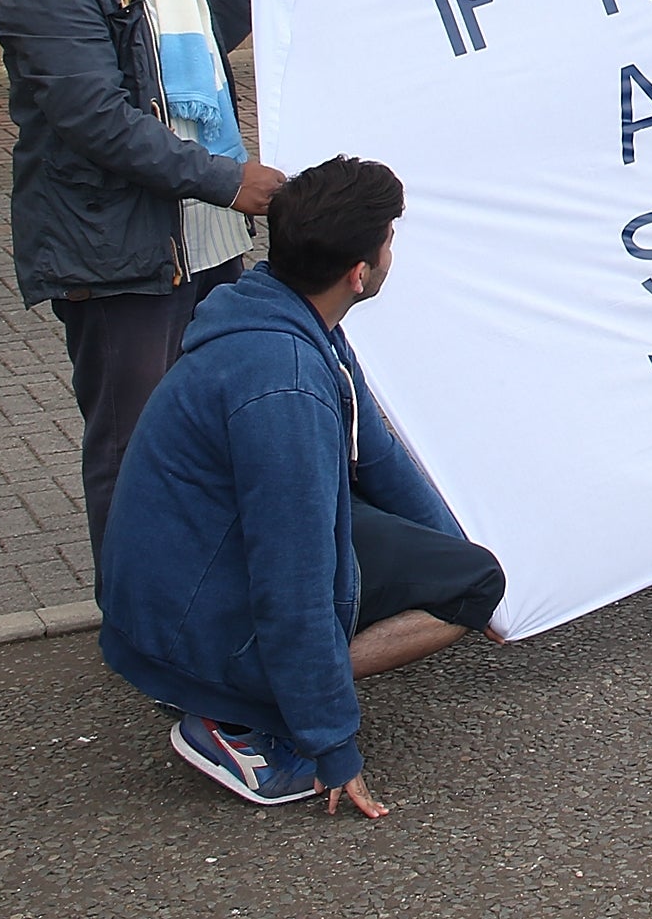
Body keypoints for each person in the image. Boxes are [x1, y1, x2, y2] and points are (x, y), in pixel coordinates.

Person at [102, 156, 506, 816]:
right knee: (312, 581)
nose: (391, 249)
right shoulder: (284, 382)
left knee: (473, 578)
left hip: (179, 584)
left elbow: (380, 461)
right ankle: (240, 717)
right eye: (389, 240)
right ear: (359, 272)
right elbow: (291, 573)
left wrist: (458, 572)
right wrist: (331, 740)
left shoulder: (281, 312)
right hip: (182, 614)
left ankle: (244, 682)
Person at [0, 0, 290, 564]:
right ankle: (141, 621)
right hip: (122, 251)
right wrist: (228, 179)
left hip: (205, 242)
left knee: (214, 424)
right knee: (135, 444)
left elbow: (187, 52)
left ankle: (206, 594)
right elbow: (97, 118)